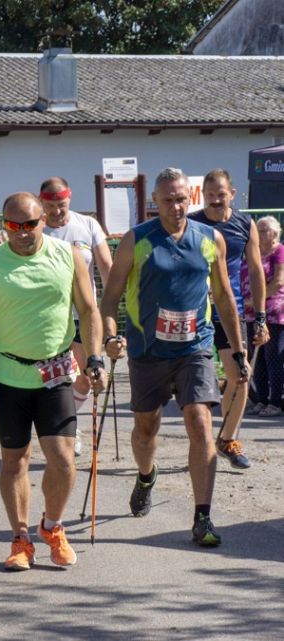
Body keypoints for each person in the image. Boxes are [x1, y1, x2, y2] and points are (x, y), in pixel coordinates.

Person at [100, 167, 246, 547]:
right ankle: (146, 474)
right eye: (168, 200)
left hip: (195, 346)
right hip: (148, 350)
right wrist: (111, 337)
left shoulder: (210, 238)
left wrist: (238, 347)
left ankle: (202, 517)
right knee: (146, 428)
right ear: (155, 203)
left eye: (182, 199)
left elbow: (225, 296)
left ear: (189, 199)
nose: (177, 206)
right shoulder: (137, 240)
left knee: (200, 422)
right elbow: (110, 296)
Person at [0, 192, 106, 570]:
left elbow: (89, 310)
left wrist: (94, 356)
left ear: (44, 220)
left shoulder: (67, 256)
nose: (23, 232)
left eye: (30, 224)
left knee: (62, 460)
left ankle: (53, 527)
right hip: (10, 375)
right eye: (14, 226)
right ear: (3, 225)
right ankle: (21, 538)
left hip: (57, 373)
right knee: (14, 461)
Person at [190, 169, 267, 469]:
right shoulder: (193, 222)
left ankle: (227, 439)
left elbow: (257, 269)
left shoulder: (244, 223)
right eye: (210, 195)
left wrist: (259, 316)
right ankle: (201, 441)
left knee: (240, 374)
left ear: (232, 194)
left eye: (221, 194)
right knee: (197, 381)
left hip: (230, 311)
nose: (215, 200)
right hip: (195, 311)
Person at [40, 177, 114, 456]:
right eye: (50, 206)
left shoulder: (88, 225)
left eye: (62, 205)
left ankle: (67, 422)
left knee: (86, 378)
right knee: (57, 378)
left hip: (84, 313)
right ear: (41, 203)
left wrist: (112, 306)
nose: (57, 212)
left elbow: (107, 267)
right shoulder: (38, 230)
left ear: (69, 199)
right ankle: (64, 428)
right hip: (50, 315)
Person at [244, 216, 284, 416]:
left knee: (272, 357)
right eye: (257, 230)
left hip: (274, 312)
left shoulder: (279, 252)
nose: (258, 234)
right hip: (252, 313)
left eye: (262, 230)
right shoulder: (254, 253)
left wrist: (255, 299)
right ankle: (261, 399)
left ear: (274, 233)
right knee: (256, 357)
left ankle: (275, 402)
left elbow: (278, 281)